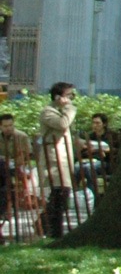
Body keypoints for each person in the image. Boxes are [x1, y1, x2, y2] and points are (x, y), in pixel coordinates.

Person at [37, 82, 77, 240]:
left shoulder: (61, 111)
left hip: (64, 158)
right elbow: (62, 124)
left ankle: (49, 225)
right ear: (58, 97)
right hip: (54, 159)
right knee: (58, 193)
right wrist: (70, 108)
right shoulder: (48, 111)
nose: (71, 99)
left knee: (63, 194)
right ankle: (53, 230)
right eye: (69, 96)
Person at [0, 110, 32, 227]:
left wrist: (14, 161)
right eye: (5, 126)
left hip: (18, 166)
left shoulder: (21, 136)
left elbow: (27, 155)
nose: (8, 128)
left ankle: (6, 207)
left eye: (10, 125)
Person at [75, 113, 115, 193]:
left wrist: (105, 151)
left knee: (89, 168)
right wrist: (87, 151)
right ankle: (76, 193)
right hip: (89, 160)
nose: (95, 125)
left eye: (97, 123)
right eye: (93, 123)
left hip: (104, 162)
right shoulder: (90, 136)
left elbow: (116, 150)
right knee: (76, 167)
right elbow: (81, 153)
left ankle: (92, 193)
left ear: (104, 124)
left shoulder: (112, 136)